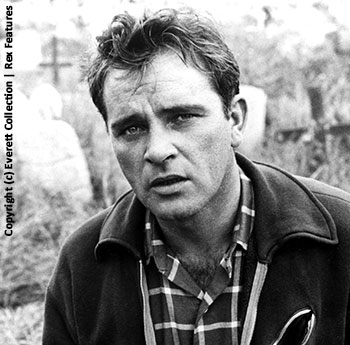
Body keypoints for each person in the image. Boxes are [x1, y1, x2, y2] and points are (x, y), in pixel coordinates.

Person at [43, 8, 350, 345]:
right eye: (131, 128)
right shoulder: (82, 266)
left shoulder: (340, 239)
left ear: (234, 120)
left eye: (182, 117)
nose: (158, 150)